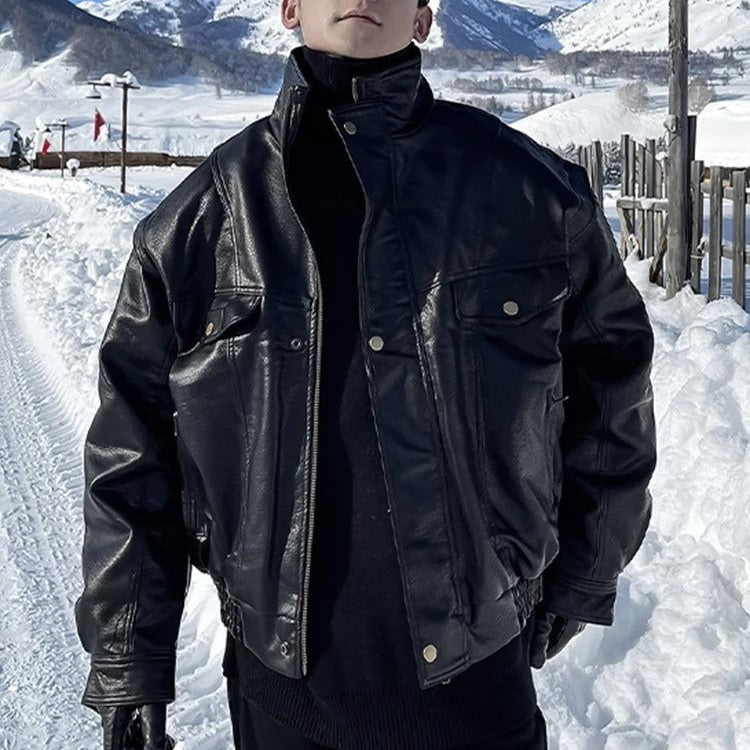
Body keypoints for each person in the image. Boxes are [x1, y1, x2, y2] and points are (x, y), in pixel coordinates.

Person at [74, 0, 658, 747]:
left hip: (477, 687)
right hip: (283, 697)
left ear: (423, 17)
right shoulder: (206, 218)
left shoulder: (528, 193)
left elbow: (615, 385)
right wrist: (129, 655)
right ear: (289, 7)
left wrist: (586, 568)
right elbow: (132, 447)